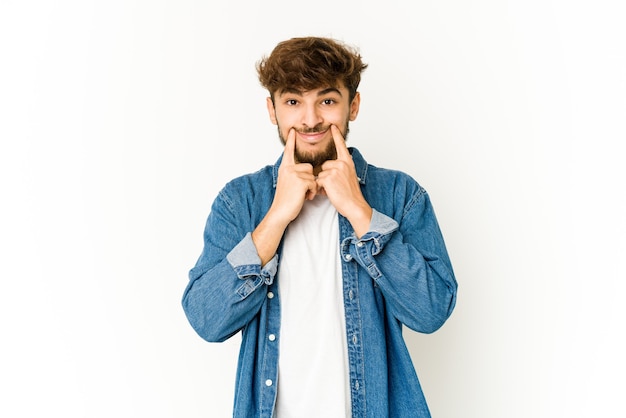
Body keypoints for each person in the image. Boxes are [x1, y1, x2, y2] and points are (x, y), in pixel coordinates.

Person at [182, 36, 458, 418]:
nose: (310, 119)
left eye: (326, 101)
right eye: (293, 101)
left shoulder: (399, 194)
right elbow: (206, 320)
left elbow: (431, 312)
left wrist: (360, 212)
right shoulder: (241, 201)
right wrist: (276, 216)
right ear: (272, 110)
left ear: (353, 105)